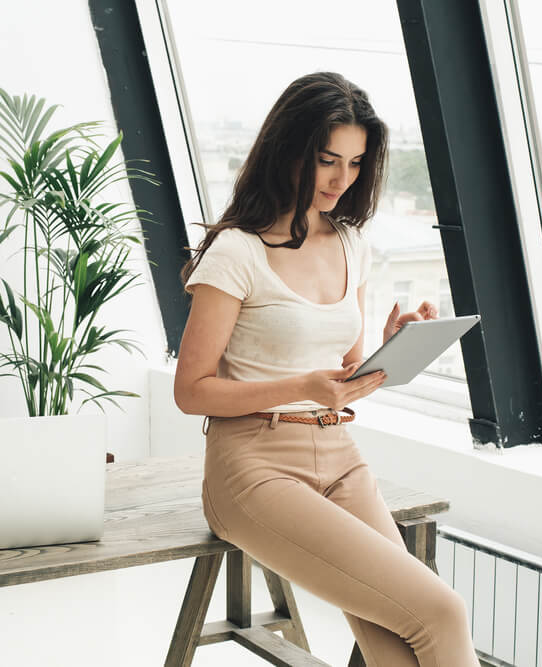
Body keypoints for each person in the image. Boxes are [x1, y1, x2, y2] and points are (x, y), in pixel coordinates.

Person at [173, 72, 479, 667]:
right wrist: (301, 389)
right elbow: (191, 391)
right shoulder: (238, 251)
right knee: (442, 612)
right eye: (328, 160)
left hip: (338, 452)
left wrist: (392, 348)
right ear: (289, 151)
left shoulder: (350, 242)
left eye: (357, 163)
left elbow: (342, 370)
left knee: (395, 638)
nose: (343, 179)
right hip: (252, 467)